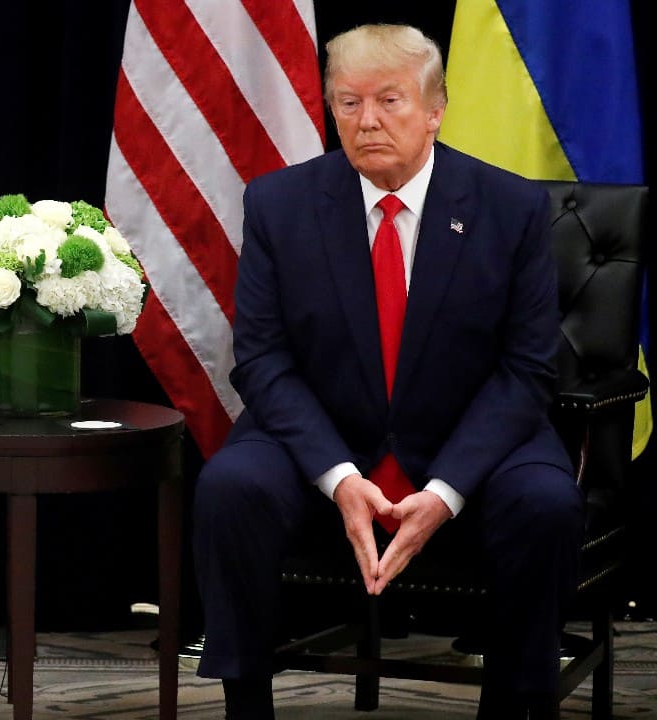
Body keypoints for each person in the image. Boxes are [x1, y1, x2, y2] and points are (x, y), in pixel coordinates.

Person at [192, 24, 582, 720]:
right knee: (230, 487)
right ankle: (243, 701)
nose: (366, 120)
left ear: (435, 109)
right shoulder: (279, 206)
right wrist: (338, 477)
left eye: (390, 101)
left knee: (544, 504)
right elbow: (261, 359)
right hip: (327, 436)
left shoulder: (510, 208)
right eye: (347, 103)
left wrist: (445, 489)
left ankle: (518, 704)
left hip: (471, 439)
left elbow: (527, 371)